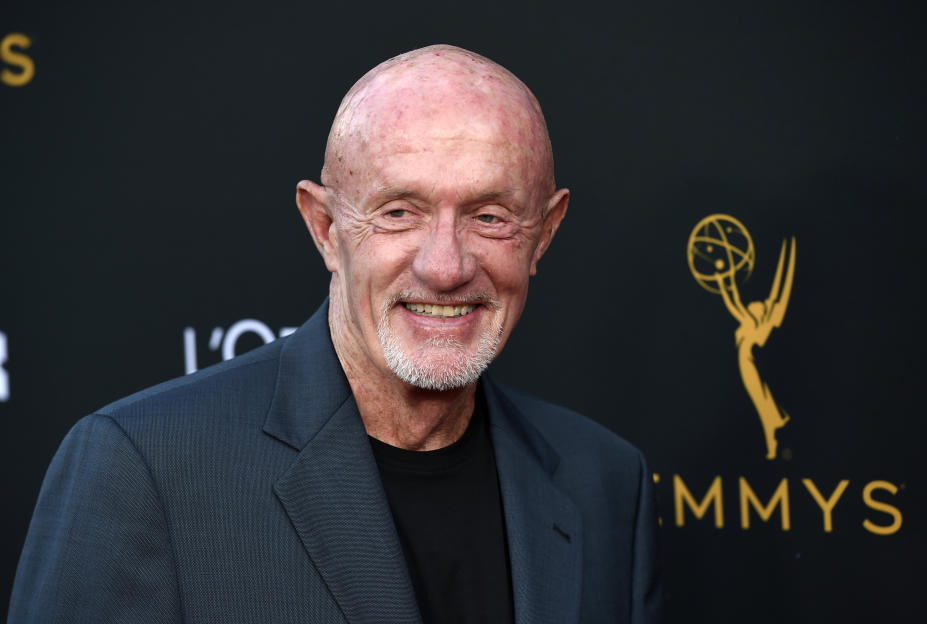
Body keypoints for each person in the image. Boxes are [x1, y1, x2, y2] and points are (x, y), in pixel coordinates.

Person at [8, 45, 662, 623]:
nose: (445, 266)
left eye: (490, 216)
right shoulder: (146, 470)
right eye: (399, 212)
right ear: (325, 228)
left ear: (543, 234)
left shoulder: (603, 481)